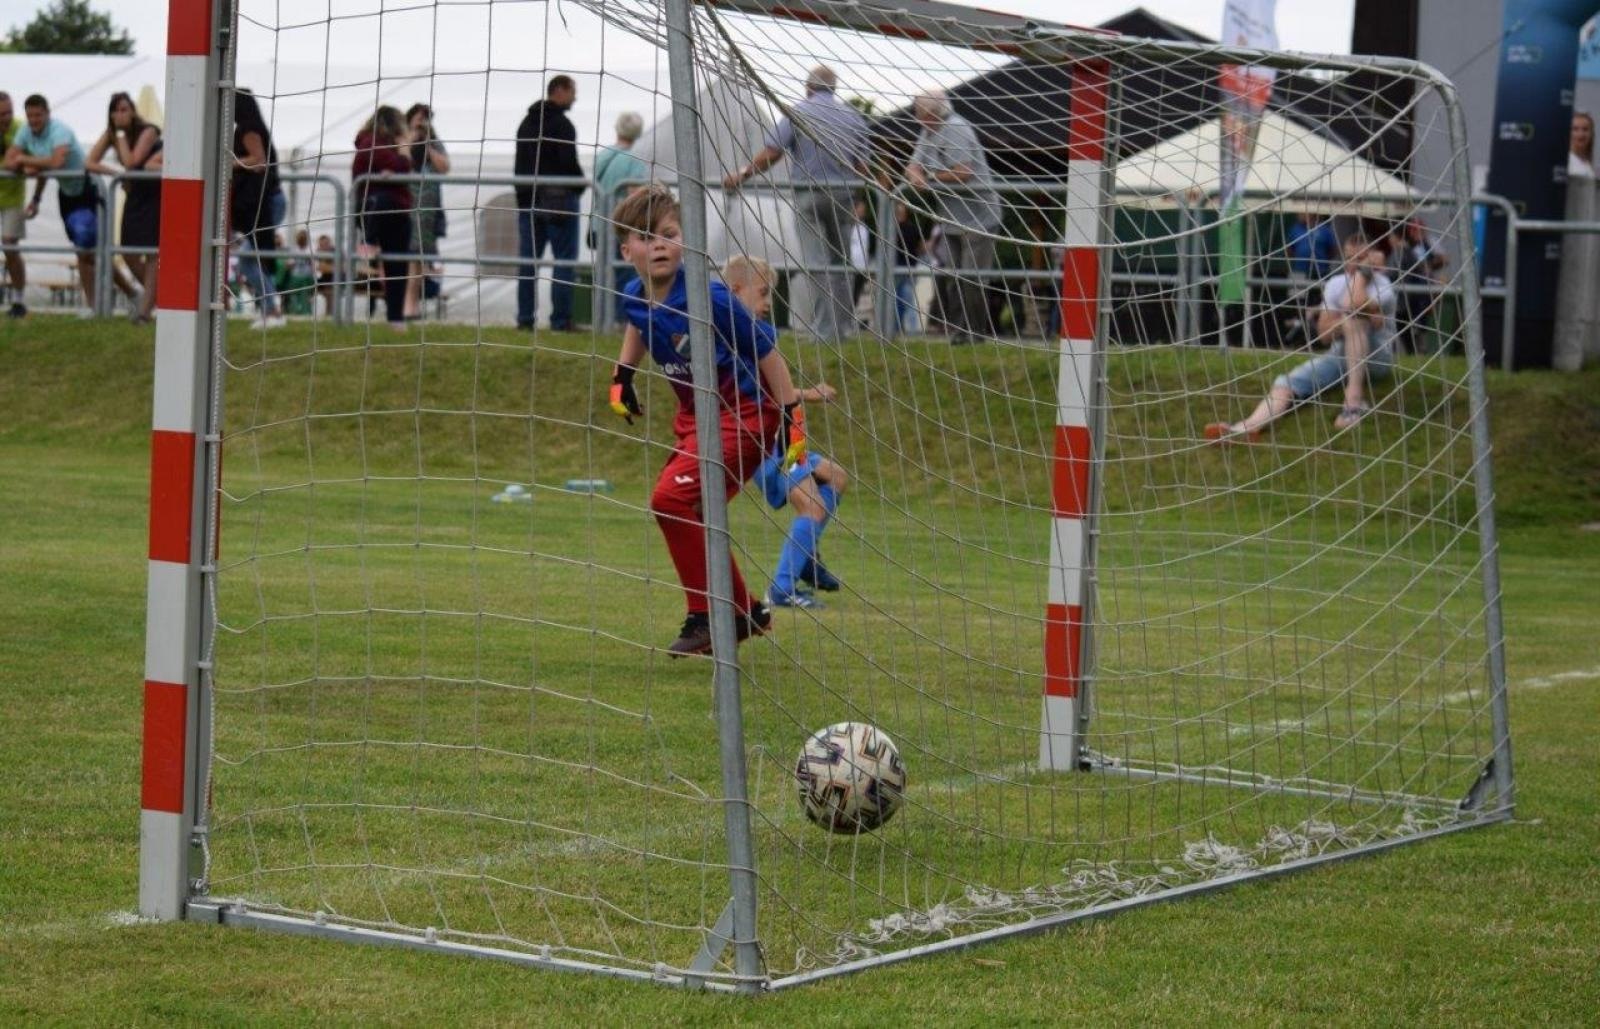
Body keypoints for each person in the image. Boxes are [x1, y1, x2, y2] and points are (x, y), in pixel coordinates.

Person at [605, 183, 809, 657]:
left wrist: (792, 420)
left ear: (685, 240)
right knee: (683, 507)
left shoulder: (711, 297)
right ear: (626, 249)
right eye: (645, 235)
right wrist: (622, 378)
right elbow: (639, 323)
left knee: (669, 498)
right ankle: (745, 612)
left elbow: (769, 355)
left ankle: (709, 614)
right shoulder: (634, 293)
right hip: (696, 419)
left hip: (745, 416)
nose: (658, 243)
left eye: (668, 233)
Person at [723, 255, 849, 608]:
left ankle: (805, 558)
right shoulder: (740, 337)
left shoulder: (750, 333)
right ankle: (782, 589)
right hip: (762, 445)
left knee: (836, 478)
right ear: (735, 290)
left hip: (784, 441)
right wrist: (811, 393)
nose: (767, 304)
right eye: (762, 294)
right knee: (811, 507)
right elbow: (770, 394)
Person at [723, 65, 870, 345]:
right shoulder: (854, 118)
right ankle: (843, 328)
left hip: (809, 194)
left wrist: (742, 174)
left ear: (808, 87)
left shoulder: (799, 112)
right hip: (844, 196)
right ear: (834, 88)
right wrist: (858, 199)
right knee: (842, 263)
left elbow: (772, 153)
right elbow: (862, 166)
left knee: (817, 262)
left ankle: (825, 332)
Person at [1206, 232, 1396, 441]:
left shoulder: (1383, 284)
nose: (1353, 264)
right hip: (1341, 356)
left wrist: (1362, 276)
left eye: (1361, 259)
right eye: (1349, 258)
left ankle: (1353, 405)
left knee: (1355, 319)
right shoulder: (1336, 283)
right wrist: (1346, 320)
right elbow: (1324, 334)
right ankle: (1246, 428)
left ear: (1372, 258)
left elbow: (1352, 305)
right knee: (1286, 384)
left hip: (1376, 358)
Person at [3, 93, 121, 314]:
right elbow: (13, 163)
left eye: (38, 115)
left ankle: (110, 301)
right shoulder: (26, 132)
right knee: (84, 252)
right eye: (30, 116)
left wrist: (25, 161)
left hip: (88, 192)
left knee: (90, 251)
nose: (34, 120)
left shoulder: (60, 131)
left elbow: (56, 162)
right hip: (66, 195)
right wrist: (34, 176)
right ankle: (98, 306)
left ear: (47, 113)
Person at [905, 88, 1003, 344]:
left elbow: (963, 172)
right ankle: (960, 332)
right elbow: (913, 165)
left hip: (979, 217)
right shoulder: (927, 132)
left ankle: (975, 333)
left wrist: (929, 179)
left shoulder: (956, 128)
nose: (916, 117)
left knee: (972, 278)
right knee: (952, 278)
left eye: (920, 113)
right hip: (950, 219)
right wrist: (914, 174)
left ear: (934, 113)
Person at [513, 75, 584, 331]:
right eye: (573, 91)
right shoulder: (563, 125)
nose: (575, 97)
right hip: (560, 203)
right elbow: (568, 163)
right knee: (564, 261)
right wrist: (580, 184)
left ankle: (524, 320)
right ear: (560, 90)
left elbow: (520, 164)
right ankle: (560, 320)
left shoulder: (526, 124)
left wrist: (523, 197)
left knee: (528, 262)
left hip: (528, 201)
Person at [87, 91, 162, 324]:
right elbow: (90, 162)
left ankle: (144, 312)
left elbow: (132, 161)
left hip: (153, 193)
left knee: (151, 254)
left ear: (133, 111)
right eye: (116, 110)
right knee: (128, 252)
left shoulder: (148, 130)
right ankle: (156, 297)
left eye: (124, 109)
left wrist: (119, 135)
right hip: (133, 193)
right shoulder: (113, 133)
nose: (120, 114)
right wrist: (116, 175)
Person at [353, 106, 413, 333]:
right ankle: (368, 242)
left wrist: (397, 166)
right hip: (376, 212)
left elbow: (400, 170)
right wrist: (403, 152)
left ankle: (396, 317)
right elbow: (402, 166)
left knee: (398, 265)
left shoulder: (383, 146)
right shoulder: (369, 142)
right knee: (382, 201)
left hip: (397, 213)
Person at [233, 89, 286, 328]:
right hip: (267, 200)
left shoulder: (248, 128)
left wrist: (230, 162)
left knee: (248, 259)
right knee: (254, 257)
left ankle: (272, 309)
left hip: (266, 201)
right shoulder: (253, 126)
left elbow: (259, 160)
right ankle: (271, 308)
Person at [591, 111, 646, 320]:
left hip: (599, 224)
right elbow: (635, 192)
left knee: (604, 273)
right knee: (624, 274)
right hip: (621, 226)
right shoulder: (633, 159)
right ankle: (621, 319)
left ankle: (601, 318)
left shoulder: (603, 155)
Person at [403, 103, 449, 319]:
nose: (421, 122)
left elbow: (445, 167)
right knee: (404, 258)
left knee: (419, 259)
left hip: (428, 214)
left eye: (426, 118)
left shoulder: (434, 141)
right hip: (404, 209)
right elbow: (400, 159)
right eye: (418, 117)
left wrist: (428, 145)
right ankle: (405, 305)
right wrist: (412, 138)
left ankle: (411, 306)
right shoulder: (402, 137)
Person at [1391, 217, 1447, 355]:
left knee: (1411, 329)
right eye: (1415, 230)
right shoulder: (1407, 251)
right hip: (1412, 297)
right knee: (1407, 332)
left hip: (1410, 299)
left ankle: (1418, 349)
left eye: (1419, 230)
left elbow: (1439, 261)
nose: (1418, 233)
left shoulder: (1411, 250)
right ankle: (1415, 349)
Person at [0, 92, 27, 318]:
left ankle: (18, 300)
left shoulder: (20, 129)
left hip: (13, 197)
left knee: (10, 246)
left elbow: (24, 160)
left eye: (9, 112)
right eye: (1, 114)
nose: (6, 118)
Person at [1570, 111, 1595, 179]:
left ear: (1591, 134)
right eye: (1575, 129)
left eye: (1585, 129)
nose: (1580, 134)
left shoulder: (1587, 164)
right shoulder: (1567, 162)